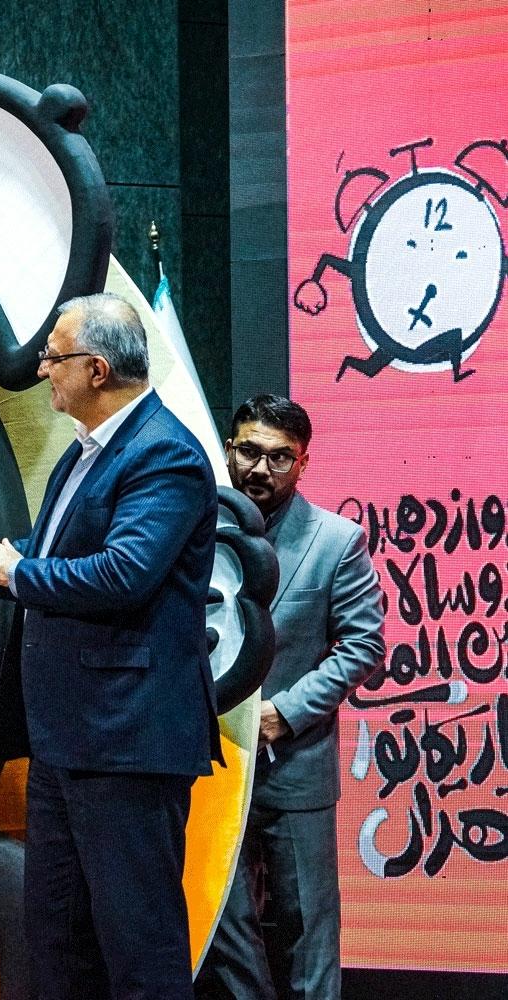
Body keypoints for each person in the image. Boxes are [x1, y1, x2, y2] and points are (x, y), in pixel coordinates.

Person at [0, 292, 220, 1000]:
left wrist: (16, 571)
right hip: (69, 740)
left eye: (53, 357)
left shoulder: (164, 455)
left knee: (139, 949)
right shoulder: (89, 450)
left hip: (127, 743)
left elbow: (123, 573)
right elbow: (56, 554)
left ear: (96, 369)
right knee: (56, 940)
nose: (40, 369)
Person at [195, 395, 384, 1000]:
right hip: (207, 766)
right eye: (249, 451)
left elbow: (363, 644)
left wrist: (286, 713)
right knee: (221, 927)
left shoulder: (337, 540)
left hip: (294, 766)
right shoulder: (191, 532)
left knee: (308, 930)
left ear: (303, 463)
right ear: (229, 449)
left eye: (280, 458)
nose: (260, 469)